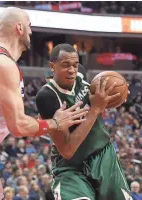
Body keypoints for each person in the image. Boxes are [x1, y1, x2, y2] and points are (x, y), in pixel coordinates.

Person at [0, 8, 87, 200]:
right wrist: (55, 123)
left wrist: (41, 121)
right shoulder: (3, 64)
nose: (31, 32)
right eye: (29, 26)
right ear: (20, 28)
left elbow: (12, 119)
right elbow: (17, 126)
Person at [36, 43, 132, 200]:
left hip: (103, 155)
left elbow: (99, 100)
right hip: (71, 166)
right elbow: (67, 150)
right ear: (52, 66)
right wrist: (95, 109)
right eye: (65, 65)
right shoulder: (47, 97)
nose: (72, 70)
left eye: (75, 64)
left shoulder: (82, 74)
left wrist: (116, 94)